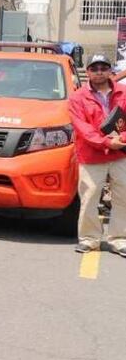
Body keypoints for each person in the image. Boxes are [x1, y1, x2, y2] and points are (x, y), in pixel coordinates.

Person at [67, 54, 126, 255]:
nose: (99, 71)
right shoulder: (77, 97)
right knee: (90, 197)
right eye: (94, 68)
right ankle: (89, 239)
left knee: (123, 197)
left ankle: (119, 239)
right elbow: (83, 128)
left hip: (121, 154)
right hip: (92, 155)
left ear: (111, 71)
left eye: (103, 67)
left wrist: (122, 140)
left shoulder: (123, 92)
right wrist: (108, 142)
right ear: (88, 72)